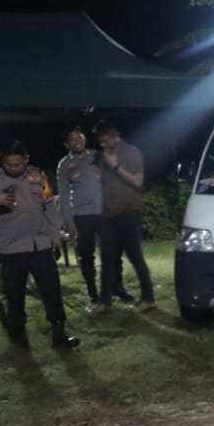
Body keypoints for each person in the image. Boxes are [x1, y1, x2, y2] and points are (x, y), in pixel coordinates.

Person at [0, 141, 80, 349]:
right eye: (8, 164)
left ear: (26, 160)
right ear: (2, 161)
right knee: (15, 294)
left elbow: (49, 205)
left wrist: (54, 234)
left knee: (51, 289)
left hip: (41, 245)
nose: (13, 168)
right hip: (12, 248)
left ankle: (59, 333)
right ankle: (19, 336)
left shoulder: (38, 177)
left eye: (18, 164)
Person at [56, 126, 133, 304]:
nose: (77, 141)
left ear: (84, 138)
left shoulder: (98, 156)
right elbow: (64, 195)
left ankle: (117, 287)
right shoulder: (64, 165)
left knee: (114, 251)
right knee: (85, 255)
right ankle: (93, 292)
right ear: (67, 144)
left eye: (80, 137)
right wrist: (68, 222)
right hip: (82, 216)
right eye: (72, 139)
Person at [92, 121, 155, 311]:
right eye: (100, 142)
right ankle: (105, 302)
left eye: (105, 141)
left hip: (128, 213)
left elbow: (137, 181)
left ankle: (148, 298)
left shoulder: (132, 152)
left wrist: (115, 166)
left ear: (114, 134)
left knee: (135, 256)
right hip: (107, 215)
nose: (103, 145)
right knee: (107, 259)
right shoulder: (102, 155)